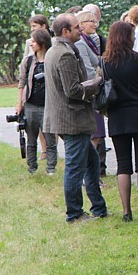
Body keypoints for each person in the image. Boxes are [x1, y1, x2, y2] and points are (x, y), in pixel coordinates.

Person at [43, 13, 107, 223]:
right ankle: (75, 213)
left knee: (91, 161)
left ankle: (98, 207)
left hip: (66, 117)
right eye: (76, 27)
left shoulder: (56, 50)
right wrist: (97, 83)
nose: (80, 30)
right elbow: (73, 90)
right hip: (72, 119)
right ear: (65, 31)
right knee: (75, 167)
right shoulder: (65, 54)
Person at [102, 21, 138, 222]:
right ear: (127, 37)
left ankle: (126, 211)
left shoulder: (105, 62)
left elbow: (101, 89)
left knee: (123, 165)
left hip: (117, 117)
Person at [15, 29, 57, 175]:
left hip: (48, 105)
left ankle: (51, 167)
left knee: (50, 138)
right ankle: (31, 167)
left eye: (33, 41)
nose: (31, 44)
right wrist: (19, 103)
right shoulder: (28, 61)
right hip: (31, 104)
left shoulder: (52, 59)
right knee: (31, 138)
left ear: (42, 42)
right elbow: (22, 82)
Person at [75, 11, 106, 153]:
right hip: (91, 93)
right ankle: (87, 169)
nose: (95, 24)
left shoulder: (90, 41)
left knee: (96, 134)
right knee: (95, 134)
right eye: (91, 21)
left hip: (93, 91)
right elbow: (88, 71)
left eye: (95, 21)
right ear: (81, 24)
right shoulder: (81, 43)